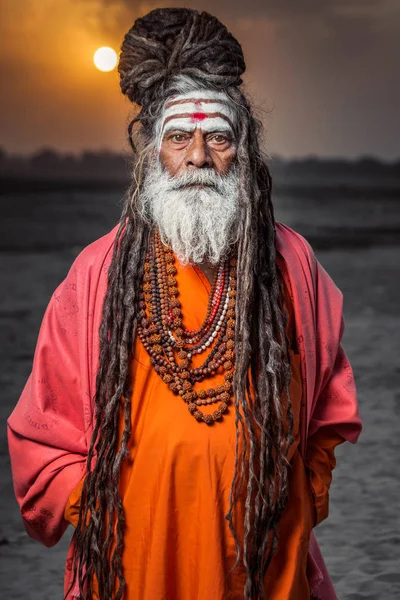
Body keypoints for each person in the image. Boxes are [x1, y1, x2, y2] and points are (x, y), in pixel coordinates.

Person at [7, 8, 362, 600]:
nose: (199, 156)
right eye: (179, 137)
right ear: (152, 152)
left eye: (218, 137)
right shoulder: (97, 273)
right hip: (137, 557)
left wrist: (304, 490)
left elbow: (330, 401)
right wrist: (99, 509)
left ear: (242, 153)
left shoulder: (291, 264)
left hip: (266, 554)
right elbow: (42, 430)